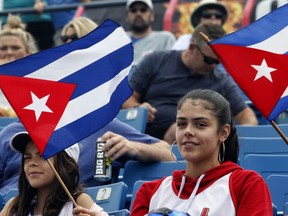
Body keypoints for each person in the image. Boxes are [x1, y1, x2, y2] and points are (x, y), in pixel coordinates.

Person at [131, 89, 273, 215]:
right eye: (181, 124)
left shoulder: (246, 184)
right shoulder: (149, 191)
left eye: (200, 125)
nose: (188, 131)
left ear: (224, 132)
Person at [123, 23, 258, 144]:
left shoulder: (220, 80)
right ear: (192, 48)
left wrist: (245, 134)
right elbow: (125, 98)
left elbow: (246, 114)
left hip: (202, 142)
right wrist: (139, 108)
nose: (213, 66)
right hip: (153, 138)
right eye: (209, 60)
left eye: (218, 61)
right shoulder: (156, 61)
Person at [0, 119, 174, 196]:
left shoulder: (99, 126)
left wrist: (131, 146)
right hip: (13, 204)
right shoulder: (12, 132)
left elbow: (168, 154)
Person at [0, 131, 108, 215]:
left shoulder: (79, 202)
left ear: (66, 164)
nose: (32, 163)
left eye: (42, 156)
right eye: (27, 157)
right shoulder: (14, 207)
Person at [0, 14, 39, 117]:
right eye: (3, 48)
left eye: (15, 48)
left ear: (28, 53)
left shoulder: (40, 80)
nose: (9, 52)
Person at [125, 0, 176, 67]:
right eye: (133, 10)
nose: (138, 14)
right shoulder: (118, 40)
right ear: (127, 17)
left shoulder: (165, 39)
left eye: (143, 10)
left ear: (152, 15)